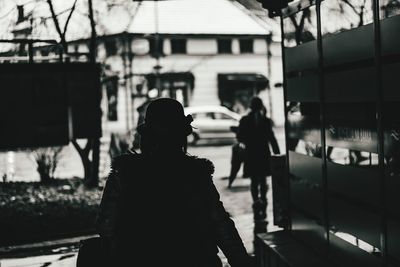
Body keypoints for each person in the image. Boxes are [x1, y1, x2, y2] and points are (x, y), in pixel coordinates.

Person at [95, 98, 254, 267]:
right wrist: (240, 260)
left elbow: (106, 226)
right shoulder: (196, 174)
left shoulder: (125, 173)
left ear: (147, 137)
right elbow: (220, 223)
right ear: (180, 137)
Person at [237, 96, 280, 220]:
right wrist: (277, 154)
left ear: (251, 106)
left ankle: (256, 200)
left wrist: (246, 140)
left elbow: (240, 136)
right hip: (263, 153)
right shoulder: (265, 120)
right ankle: (263, 199)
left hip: (251, 154)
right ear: (261, 107)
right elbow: (271, 138)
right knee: (262, 179)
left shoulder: (245, 120)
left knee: (254, 179)